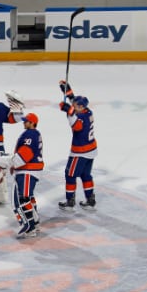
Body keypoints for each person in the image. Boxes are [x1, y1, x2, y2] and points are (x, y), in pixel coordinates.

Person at [0, 113, 44, 238]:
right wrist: (12, 164)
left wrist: (7, 162)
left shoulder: (30, 135)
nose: (24, 122)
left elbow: (24, 156)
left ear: (32, 123)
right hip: (30, 171)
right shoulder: (35, 134)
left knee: (22, 199)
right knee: (28, 197)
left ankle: (30, 227)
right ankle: (35, 222)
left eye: (26, 121)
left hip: (27, 171)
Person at [58, 81, 97, 211]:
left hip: (80, 152)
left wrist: (68, 110)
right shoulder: (87, 111)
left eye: (75, 105)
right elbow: (74, 105)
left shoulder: (80, 118)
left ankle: (70, 202)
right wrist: (68, 91)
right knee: (86, 175)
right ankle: (90, 200)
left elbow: (77, 125)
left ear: (80, 107)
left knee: (70, 175)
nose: (73, 105)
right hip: (91, 150)